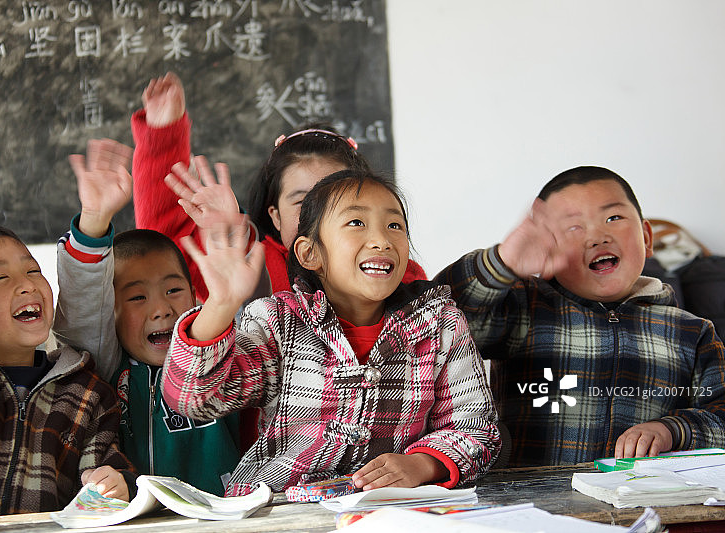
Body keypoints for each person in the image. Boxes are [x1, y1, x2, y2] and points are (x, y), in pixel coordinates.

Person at [161, 168, 500, 496]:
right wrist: (220, 304)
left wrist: (423, 464)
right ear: (310, 254)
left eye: (394, 225)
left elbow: (476, 429)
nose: (382, 240)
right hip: (281, 510)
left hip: (391, 512)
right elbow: (193, 399)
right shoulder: (278, 322)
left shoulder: (440, 324)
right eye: (356, 223)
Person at [433, 166, 725, 466]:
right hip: (532, 491)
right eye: (573, 227)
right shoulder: (523, 307)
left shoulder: (692, 332)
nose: (597, 237)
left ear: (647, 237)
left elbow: (721, 415)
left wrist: (673, 430)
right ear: (547, 248)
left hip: (642, 490)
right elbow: (441, 314)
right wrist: (501, 262)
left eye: (613, 218)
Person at [0, 100, 134, 517]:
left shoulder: (86, 391)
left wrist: (117, 481)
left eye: (33, 270)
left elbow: (107, 468)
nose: (26, 284)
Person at [131, 71, 427, 301]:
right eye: (301, 202)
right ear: (275, 216)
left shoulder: (395, 271)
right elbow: (165, 248)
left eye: (334, 200)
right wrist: (163, 136)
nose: (316, 214)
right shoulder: (249, 265)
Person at [52, 139, 241, 496]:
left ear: (196, 296)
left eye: (173, 290)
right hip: (138, 515)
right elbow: (82, 308)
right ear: (110, 310)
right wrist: (93, 221)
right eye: (137, 297)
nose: (161, 309)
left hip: (226, 513)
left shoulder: (220, 353)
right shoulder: (106, 366)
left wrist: (227, 233)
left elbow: (236, 290)